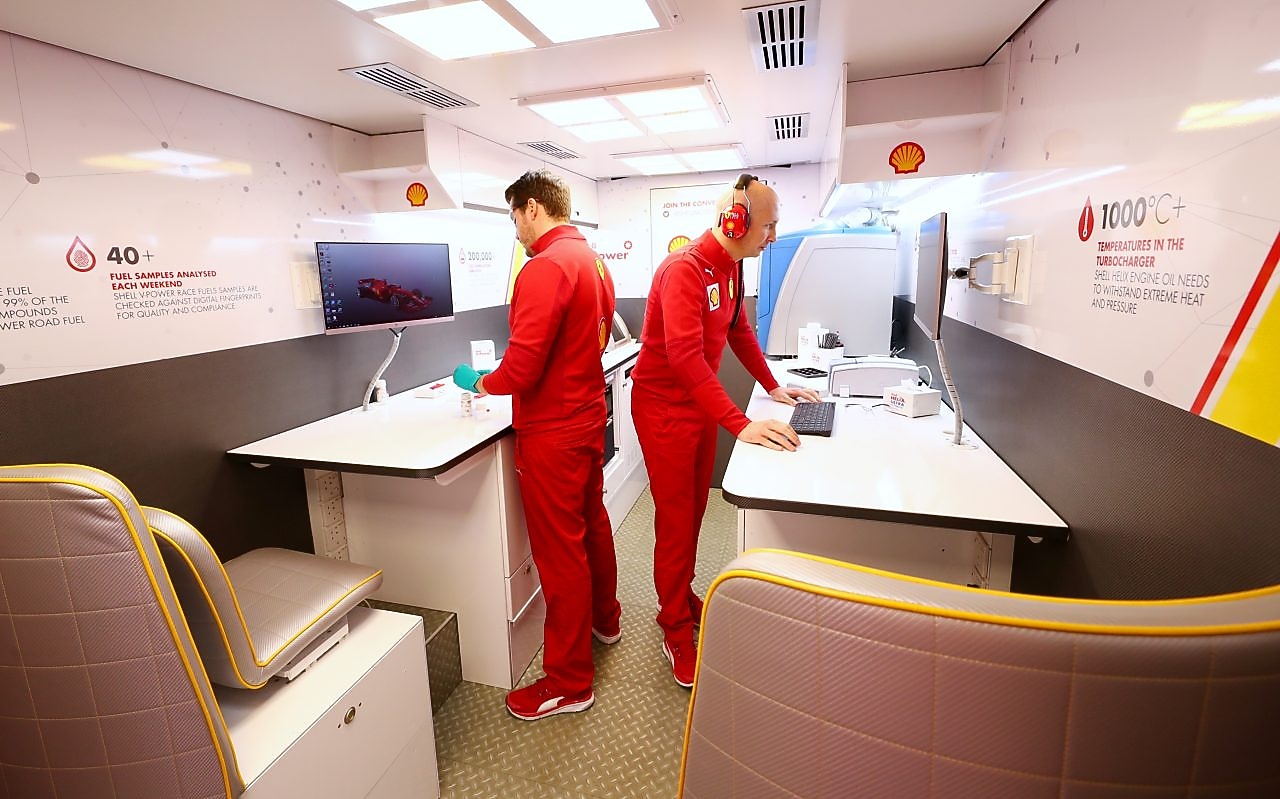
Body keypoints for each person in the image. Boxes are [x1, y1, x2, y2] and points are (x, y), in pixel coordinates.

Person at [630, 173, 819, 688]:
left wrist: (774, 386)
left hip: (694, 406)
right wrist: (740, 424)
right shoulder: (684, 271)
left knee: (695, 509)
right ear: (735, 220)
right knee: (674, 517)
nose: (773, 237)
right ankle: (673, 627)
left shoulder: (731, 269)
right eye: (768, 225)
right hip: (663, 409)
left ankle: (680, 593)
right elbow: (686, 359)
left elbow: (738, 331)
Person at [452, 170, 621, 721]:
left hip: (553, 431)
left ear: (531, 208)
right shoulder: (592, 259)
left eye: (514, 218)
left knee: (559, 552)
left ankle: (570, 681)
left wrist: (477, 382)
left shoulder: (542, 267)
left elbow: (522, 368)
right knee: (592, 524)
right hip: (588, 417)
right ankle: (606, 619)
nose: (516, 231)